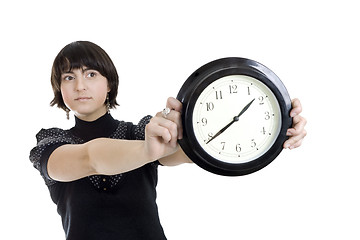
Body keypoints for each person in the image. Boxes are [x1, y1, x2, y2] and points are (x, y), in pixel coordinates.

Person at [29, 41, 307, 240]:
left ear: (109, 83)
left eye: (91, 74)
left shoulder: (139, 131)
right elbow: (89, 159)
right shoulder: (52, 142)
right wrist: (148, 149)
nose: (80, 86)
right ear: (59, 88)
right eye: (69, 77)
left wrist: (278, 126)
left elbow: (200, 150)